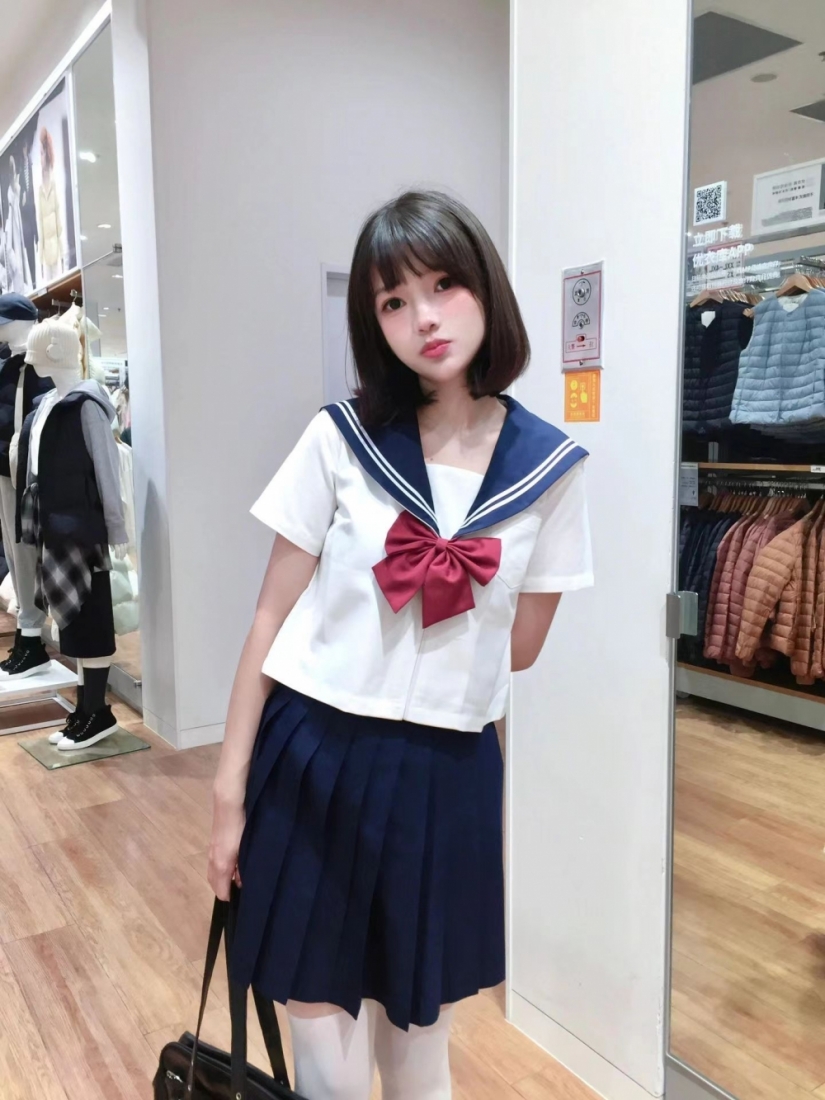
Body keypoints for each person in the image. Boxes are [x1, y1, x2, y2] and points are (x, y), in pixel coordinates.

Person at [208, 190, 593, 1100]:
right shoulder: (339, 440)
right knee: (326, 1062)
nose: (423, 317)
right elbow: (268, 619)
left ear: (485, 289)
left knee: (421, 1050)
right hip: (314, 759)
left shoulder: (548, 471)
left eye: (443, 285)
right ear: (371, 321)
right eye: (392, 300)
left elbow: (520, 652)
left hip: (446, 777)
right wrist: (227, 792)